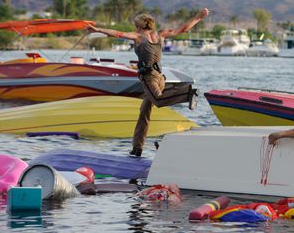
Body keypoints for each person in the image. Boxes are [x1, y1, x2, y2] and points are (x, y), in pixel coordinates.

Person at [89, 8, 210, 156]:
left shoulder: (138, 37)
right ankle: (137, 148)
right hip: (160, 77)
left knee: (158, 100)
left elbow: (117, 33)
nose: (135, 28)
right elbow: (182, 29)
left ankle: (187, 93)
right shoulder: (160, 34)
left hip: (149, 77)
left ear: (139, 27)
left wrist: (97, 29)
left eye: (136, 26)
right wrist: (199, 17)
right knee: (144, 113)